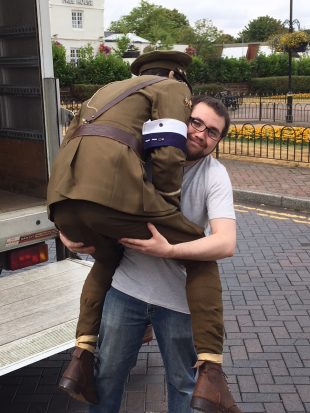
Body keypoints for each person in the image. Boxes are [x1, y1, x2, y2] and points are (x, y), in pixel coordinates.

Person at [47, 50, 235, 411]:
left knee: (182, 387)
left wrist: (168, 250)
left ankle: (81, 352)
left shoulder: (214, 175)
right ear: (181, 112)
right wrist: (68, 234)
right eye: (194, 122)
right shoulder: (147, 143)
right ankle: (212, 369)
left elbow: (225, 243)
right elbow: (154, 165)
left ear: (218, 142)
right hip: (127, 293)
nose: (199, 133)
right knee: (107, 380)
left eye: (212, 132)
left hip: (176, 303)